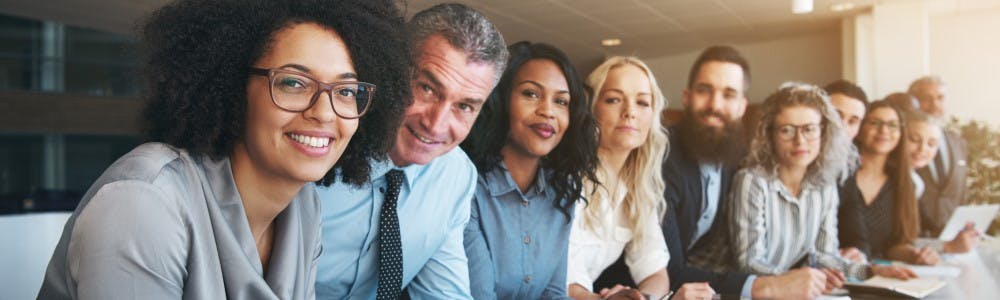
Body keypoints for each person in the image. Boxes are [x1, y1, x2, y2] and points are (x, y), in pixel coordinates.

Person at [37, 0, 409, 298]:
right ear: (232, 87)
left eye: (345, 91)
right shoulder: (143, 202)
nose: (324, 112)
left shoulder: (303, 207)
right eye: (294, 83)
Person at [314, 3, 507, 299]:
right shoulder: (320, 139)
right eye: (427, 88)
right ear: (394, 68)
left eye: (464, 106)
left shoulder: (455, 174)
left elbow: (444, 292)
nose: (436, 124)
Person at [693, 83, 916, 299]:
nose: (800, 141)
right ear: (770, 135)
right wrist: (800, 281)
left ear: (824, 133)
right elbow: (749, 261)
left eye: (809, 129)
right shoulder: (752, 181)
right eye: (787, 130)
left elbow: (825, 255)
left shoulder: (825, 185)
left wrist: (870, 271)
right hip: (725, 292)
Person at [460, 41, 599, 300]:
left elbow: (554, 293)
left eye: (561, 101)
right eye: (531, 94)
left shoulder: (562, 192)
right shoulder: (467, 186)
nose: (547, 111)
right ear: (501, 101)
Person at [566, 56, 674, 300]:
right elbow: (561, 277)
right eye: (614, 100)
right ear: (592, 108)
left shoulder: (638, 187)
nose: (630, 112)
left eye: (642, 102)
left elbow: (656, 273)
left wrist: (640, 297)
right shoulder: (567, 177)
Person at [838, 100, 933, 265]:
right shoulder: (841, 177)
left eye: (892, 125)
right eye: (875, 123)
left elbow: (894, 245)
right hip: (835, 275)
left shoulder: (903, 184)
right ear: (859, 129)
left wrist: (915, 255)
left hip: (881, 276)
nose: (884, 131)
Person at [903, 110, 979, 254]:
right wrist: (946, 246)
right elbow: (893, 244)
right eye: (914, 139)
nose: (922, 149)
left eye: (931, 144)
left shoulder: (916, 181)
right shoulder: (893, 182)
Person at [907, 76, 969, 236]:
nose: (935, 105)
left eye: (940, 98)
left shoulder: (959, 142)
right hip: (912, 236)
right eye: (926, 98)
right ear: (913, 102)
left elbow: (960, 193)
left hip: (951, 237)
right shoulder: (901, 142)